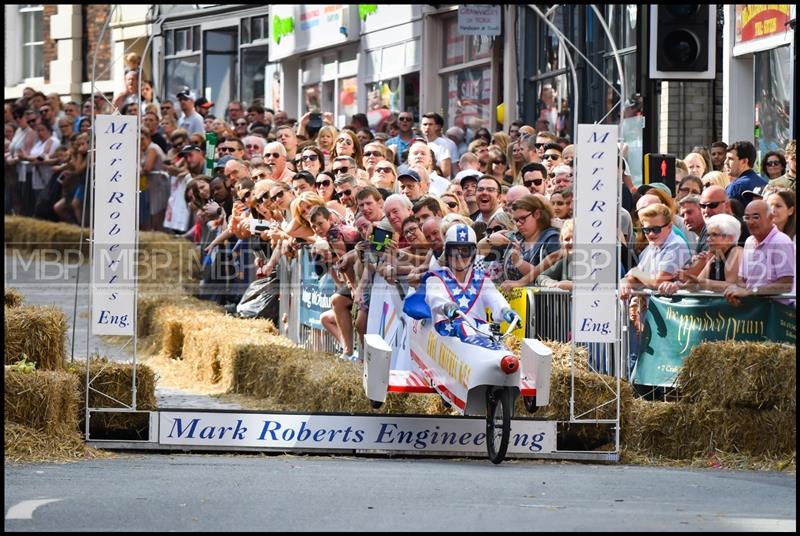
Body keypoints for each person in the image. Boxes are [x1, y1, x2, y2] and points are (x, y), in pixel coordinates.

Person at [413, 223, 518, 339]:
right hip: (448, 337)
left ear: (473, 253)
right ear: (447, 252)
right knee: (463, 327)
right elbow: (435, 299)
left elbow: (495, 299)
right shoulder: (435, 278)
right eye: (454, 250)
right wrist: (446, 307)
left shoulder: (482, 279)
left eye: (465, 250)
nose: (459, 256)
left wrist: (506, 311)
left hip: (480, 337)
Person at [723, 199, 795, 306]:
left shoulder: (781, 241)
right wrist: (735, 292)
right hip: (754, 310)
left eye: (756, 217)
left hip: (776, 312)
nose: (751, 222)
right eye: (747, 218)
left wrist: (750, 292)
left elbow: (786, 284)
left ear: (771, 218)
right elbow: (743, 280)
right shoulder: (749, 241)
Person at [659, 213, 743, 295]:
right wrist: (675, 286)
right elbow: (696, 284)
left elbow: (732, 286)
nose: (708, 239)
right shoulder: (715, 256)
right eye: (708, 235)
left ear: (730, 238)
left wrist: (699, 282)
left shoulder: (736, 252)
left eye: (714, 235)